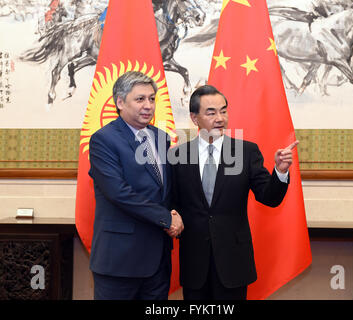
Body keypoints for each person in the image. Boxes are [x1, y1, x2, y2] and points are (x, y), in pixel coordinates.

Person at [171, 85, 298, 300]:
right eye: (211, 112)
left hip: (233, 261)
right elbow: (171, 201)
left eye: (223, 110)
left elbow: (270, 198)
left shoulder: (246, 152)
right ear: (194, 118)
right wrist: (172, 214)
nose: (220, 118)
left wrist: (280, 171)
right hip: (194, 262)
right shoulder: (178, 155)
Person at [88, 71, 184, 300]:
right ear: (120, 102)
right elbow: (118, 193)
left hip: (158, 260)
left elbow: (164, 190)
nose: (148, 105)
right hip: (120, 260)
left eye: (152, 99)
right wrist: (166, 218)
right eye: (140, 99)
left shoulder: (161, 137)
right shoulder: (104, 140)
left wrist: (176, 213)